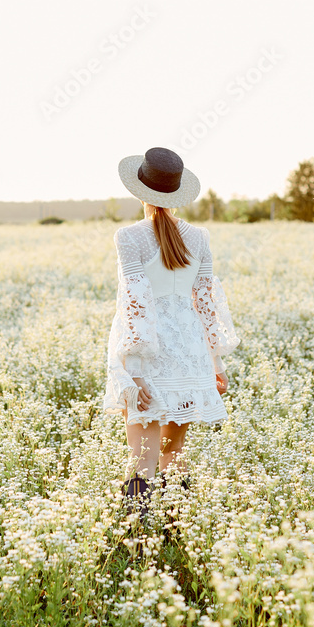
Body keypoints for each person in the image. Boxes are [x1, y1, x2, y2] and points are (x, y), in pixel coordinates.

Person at [102, 146, 240, 519]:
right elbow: (206, 305)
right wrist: (217, 363)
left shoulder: (128, 237)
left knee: (141, 458)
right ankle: (177, 530)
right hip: (191, 354)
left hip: (150, 352)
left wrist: (135, 370)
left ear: (140, 191)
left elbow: (136, 304)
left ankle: (136, 542)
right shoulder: (200, 237)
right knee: (173, 453)